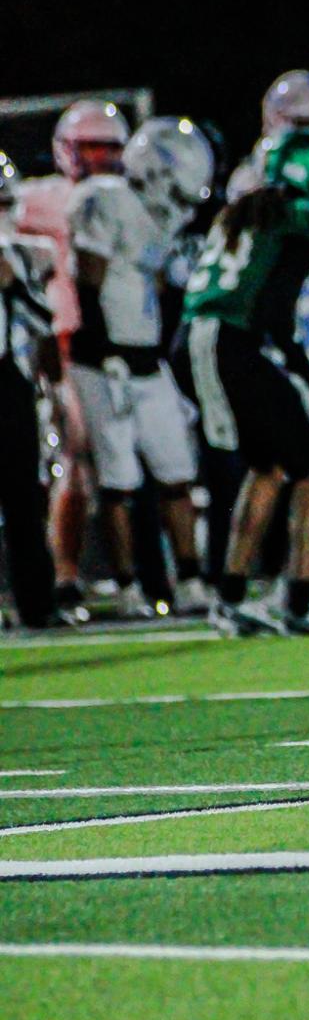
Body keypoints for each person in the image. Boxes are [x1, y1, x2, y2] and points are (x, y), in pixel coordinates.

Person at [176, 127, 309, 637]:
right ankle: (297, 600)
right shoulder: (306, 220)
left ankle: (233, 597)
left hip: (206, 339)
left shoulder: (244, 208)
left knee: (268, 468)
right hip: (228, 344)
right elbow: (277, 315)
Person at [67, 117, 214, 617]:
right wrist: (104, 350)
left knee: (178, 472)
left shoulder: (159, 214)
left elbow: (153, 286)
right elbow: (89, 281)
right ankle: (128, 586)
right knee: (119, 482)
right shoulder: (104, 199)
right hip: (104, 361)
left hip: (147, 359)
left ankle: (190, 581)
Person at [16, 99, 130, 619]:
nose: (102, 159)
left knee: (120, 469)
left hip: (116, 345)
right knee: (72, 465)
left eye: (110, 148)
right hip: (55, 347)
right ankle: (63, 574)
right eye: (91, 148)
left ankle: (125, 577)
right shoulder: (39, 198)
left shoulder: (127, 198)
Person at [0, 155, 58, 629]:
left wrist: (14, 284)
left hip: (6, 377)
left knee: (23, 494)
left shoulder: (17, 256)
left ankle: (37, 605)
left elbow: (43, 321)